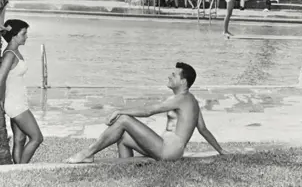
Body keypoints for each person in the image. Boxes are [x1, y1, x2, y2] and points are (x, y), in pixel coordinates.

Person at [66, 62, 225, 164]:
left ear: (183, 82)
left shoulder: (182, 99)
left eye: (174, 75)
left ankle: (88, 153)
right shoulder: (191, 100)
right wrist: (221, 151)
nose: (169, 76)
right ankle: (127, 167)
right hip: (171, 150)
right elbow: (203, 129)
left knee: (123, 120)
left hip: (168, 150)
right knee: (122, 137)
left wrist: (119, 110)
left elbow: (149, 111)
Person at [0, 19, 44, 164]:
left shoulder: (15, 52)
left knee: (20, 138)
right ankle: (20, 169)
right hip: (15, 103)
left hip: (18, 101)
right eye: (23, 33)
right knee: (37, 138)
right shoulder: (10, 54)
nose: (26, 36)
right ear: (14, 35)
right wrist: (1, 101)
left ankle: (17, 167)